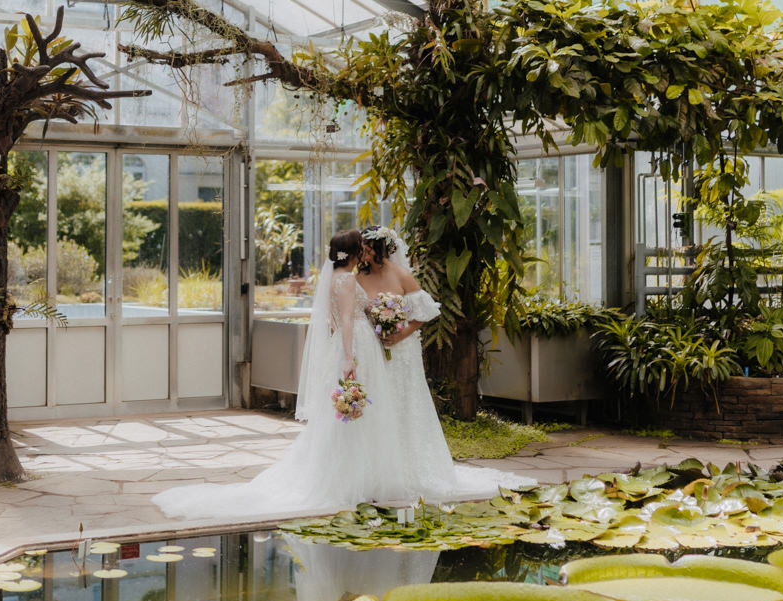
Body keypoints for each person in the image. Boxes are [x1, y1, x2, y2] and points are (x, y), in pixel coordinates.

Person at [153, 228, 397, 523]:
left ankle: (355, 476)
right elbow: (345, 318)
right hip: (353, 346)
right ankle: (351, 480)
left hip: (347, 345)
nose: (365, 251)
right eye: (361, 247)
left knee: (343, 419)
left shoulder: (333, 278)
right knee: (353, 416)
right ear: (353, 251)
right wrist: (349, 357)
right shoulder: (346, 280)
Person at [356, 223, 536, 503]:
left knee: (403, 405)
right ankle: (374, 469)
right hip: (373, 351)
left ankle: (406, 472)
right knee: (378, 406)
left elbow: (425, 313)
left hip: (401, 353)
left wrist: (400, 332)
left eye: (366, 248)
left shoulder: (402, 276)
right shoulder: (359, 277)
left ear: (379, 249)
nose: (362, 253)